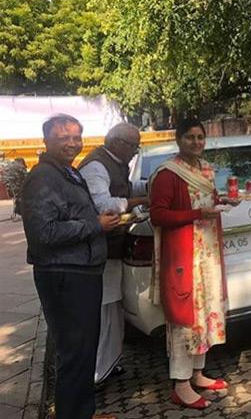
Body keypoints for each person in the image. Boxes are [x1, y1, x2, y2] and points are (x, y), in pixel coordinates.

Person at [21, 114, 119, 419]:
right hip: (65, 276)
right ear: (46, 141)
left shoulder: (67, 173)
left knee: (84, 351)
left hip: (82, 272)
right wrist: (95, 225)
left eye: (76, 137)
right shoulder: (41, 178)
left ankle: (83, 413)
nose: (72, 143)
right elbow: (43, 234)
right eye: (63, 137)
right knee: (74, 353)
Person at [149, 118, 238, 409]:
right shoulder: (168, 174)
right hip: (184, 258)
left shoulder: (205, 169)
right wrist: (198, 213)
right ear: (179, 139)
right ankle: (181, 385)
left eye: (200, 137)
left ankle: (197, 374)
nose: (196, 142)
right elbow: (158, 216)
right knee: (184, 320)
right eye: (190, 137)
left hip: (207, 255)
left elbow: (208, 202)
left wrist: (223, 200)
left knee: (206, 315)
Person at [79, 123, 149, 384]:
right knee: (106, 311)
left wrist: (150, 186)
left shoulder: (114, 162)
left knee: (113, 309)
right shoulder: (96, 166)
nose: (135, 152)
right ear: (117, 143)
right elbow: (104, 205)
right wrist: (141, 202)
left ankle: (109, 363)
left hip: (113, 248)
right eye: (133, 146)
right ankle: (96, 374)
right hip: (101, 250)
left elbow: (127, 188)